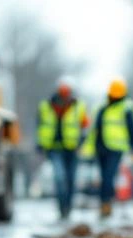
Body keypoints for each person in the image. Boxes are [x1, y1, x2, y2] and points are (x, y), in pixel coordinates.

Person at [36, 78, 89, 220]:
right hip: (54, 148)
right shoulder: (46, 106)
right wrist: (40, 144)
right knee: (59, 178)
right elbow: (40, 126)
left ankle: (68, 207)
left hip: (72, 149)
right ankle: (61, 207)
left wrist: (82, 142)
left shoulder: (78, 107)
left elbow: (85, 126)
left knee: (71, 179)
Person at [93, 78, 133, 218]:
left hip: (116, 148)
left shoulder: (127, 108)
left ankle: (106, 202)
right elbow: (95, 129)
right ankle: (104, 202)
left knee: (108, 176)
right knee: (104, 177)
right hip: (101, 147)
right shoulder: (102, 107)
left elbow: (132, 129)